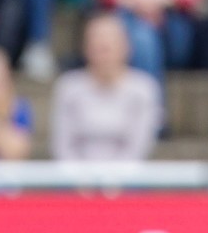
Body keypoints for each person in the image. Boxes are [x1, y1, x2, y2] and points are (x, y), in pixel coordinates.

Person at [51, 13, 162, 160]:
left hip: (128, 179)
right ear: (85, 48)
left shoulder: (145, 88)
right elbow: (62, 146)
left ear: (126, 47)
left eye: (109, 45)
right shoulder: (68, 86)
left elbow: (139, 147)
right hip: (76, 180)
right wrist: (80, 179)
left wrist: (116, 179)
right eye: (97, 44)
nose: (103, 50)